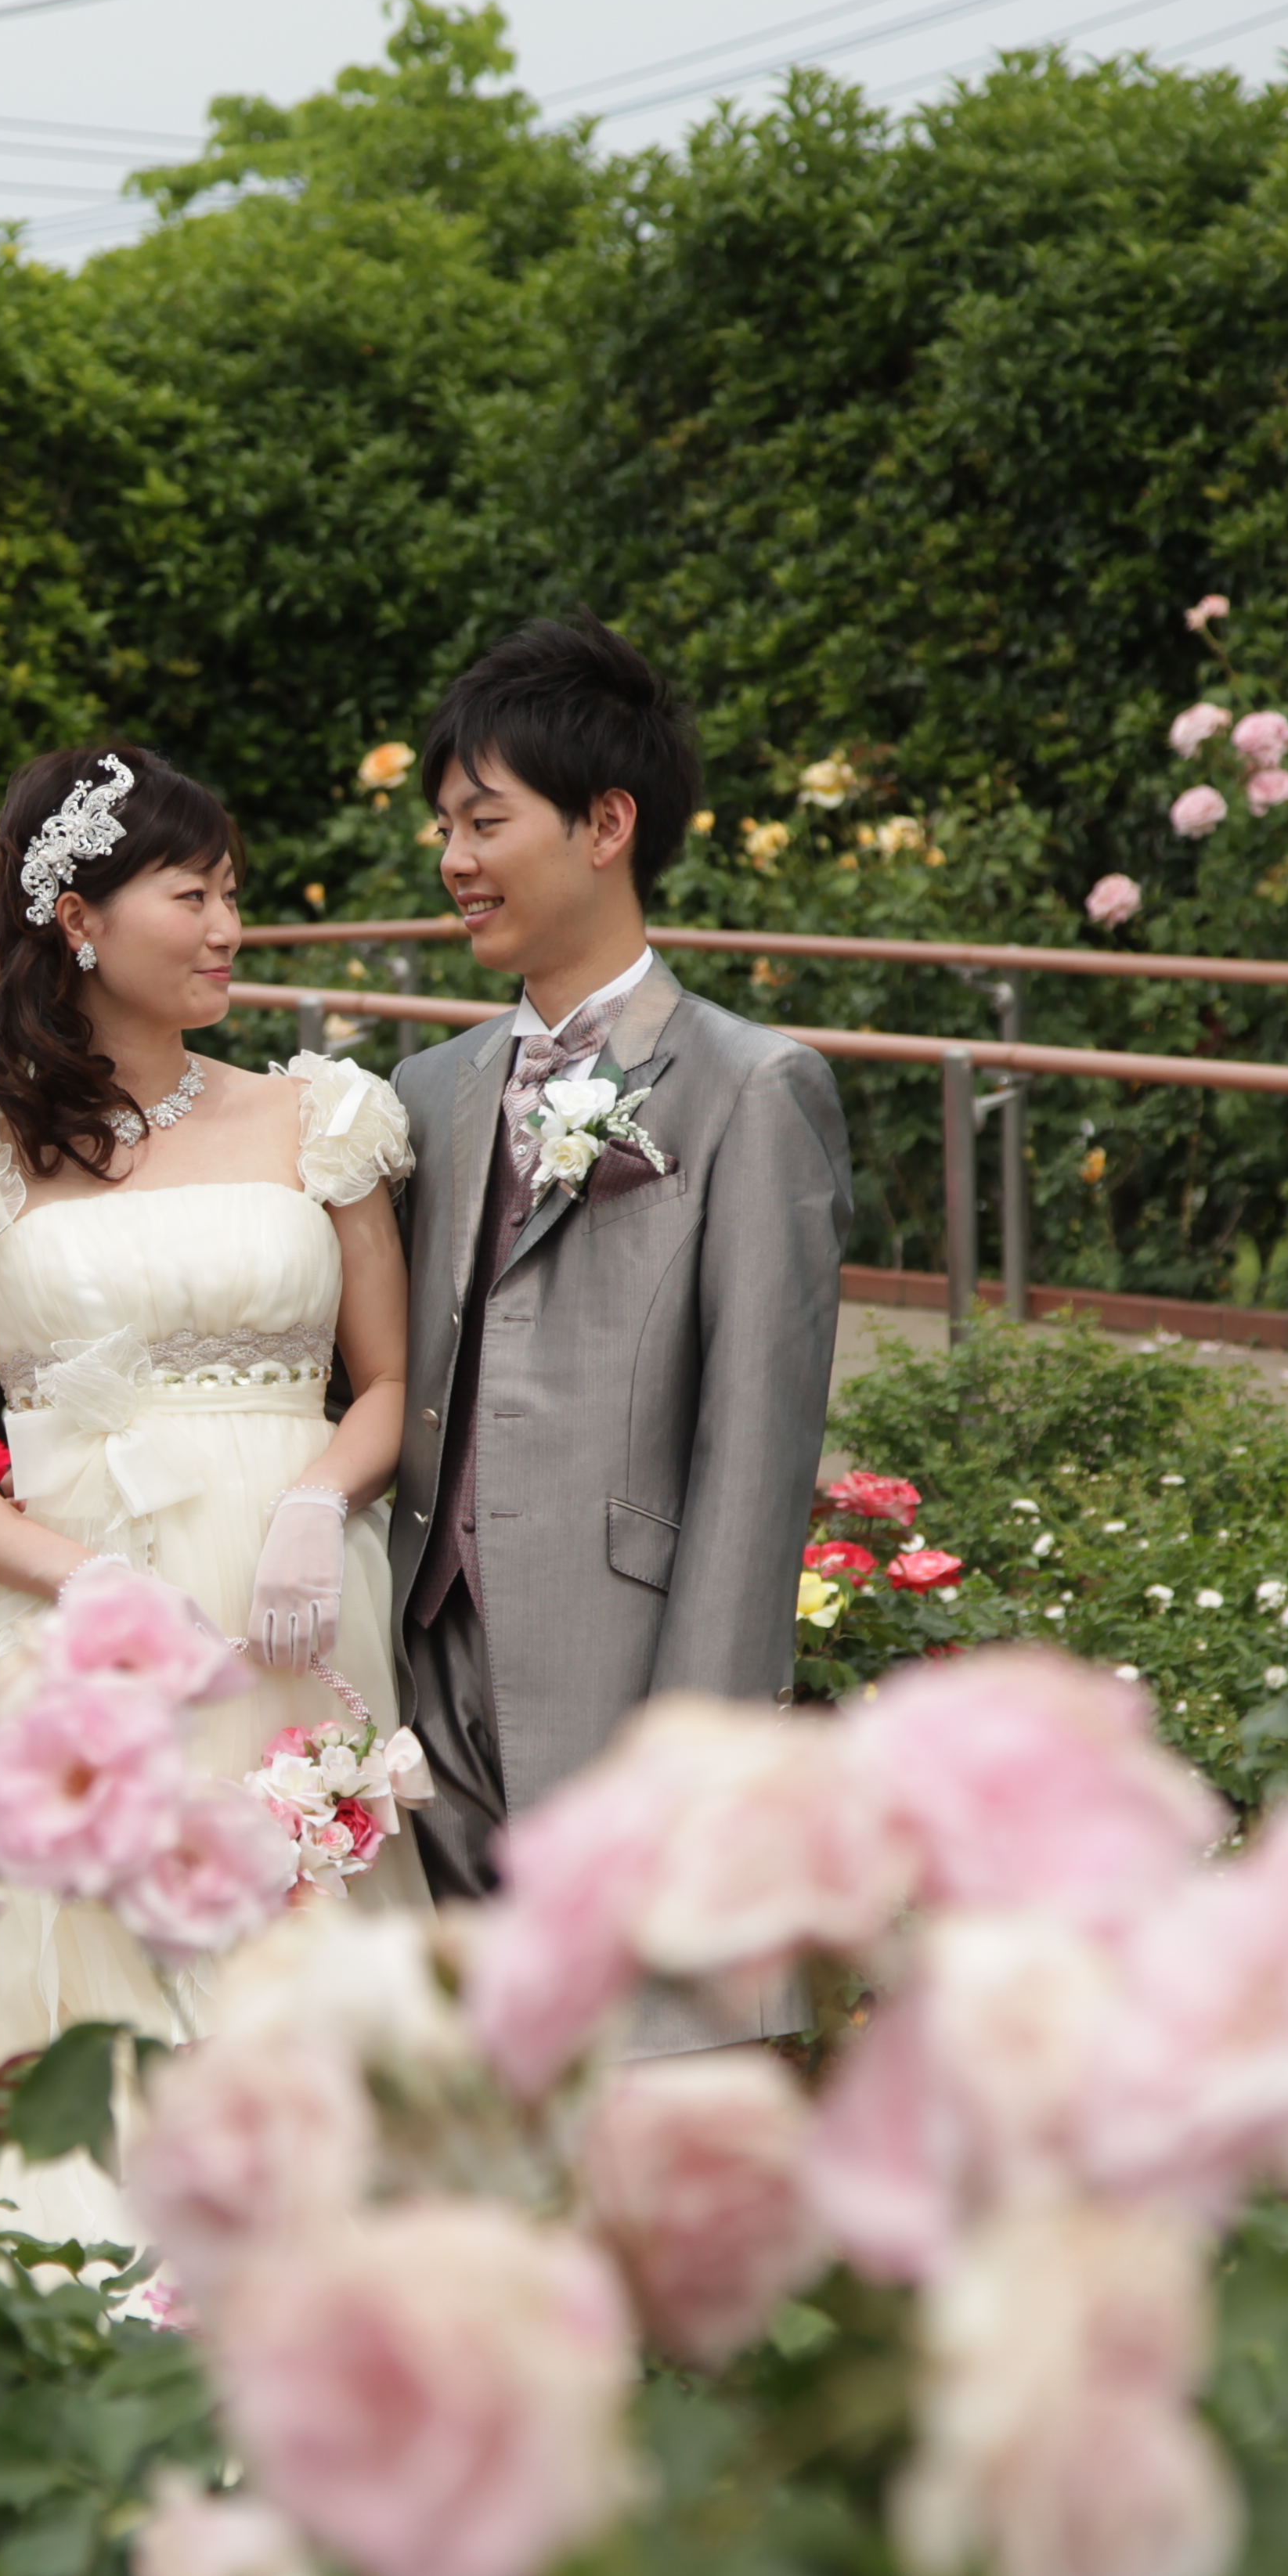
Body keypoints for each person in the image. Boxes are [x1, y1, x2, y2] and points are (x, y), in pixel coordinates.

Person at [0, 740, 419, 2245]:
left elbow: (390, 1383)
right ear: (81, 919)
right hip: (74, 1630)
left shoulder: (323, 1118)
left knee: (295, 1974)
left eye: (233, 892)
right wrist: (86, 1584)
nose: (230, 926)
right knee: (88, 1979)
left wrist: (319, 1500)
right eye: (194, 893)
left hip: (295, 1621)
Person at [387, 618, 852, 2046]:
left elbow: (756, 1455)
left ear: (606, 824)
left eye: (485, 821)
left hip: (622, 1669)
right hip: (427, 1668)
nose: (456, 860)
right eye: (443, 828)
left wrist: (698, 1768)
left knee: (641, 2117)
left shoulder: (750, 1087)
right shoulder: (429, 1087)